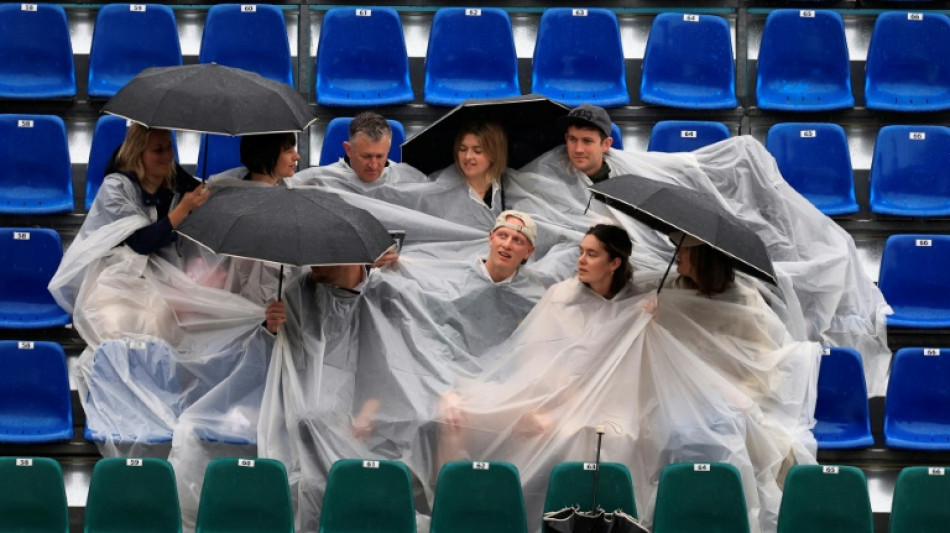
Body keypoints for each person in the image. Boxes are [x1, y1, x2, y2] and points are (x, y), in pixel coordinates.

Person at [109, 124, 210, 255]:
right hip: (122, 261)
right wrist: (182, 209)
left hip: (161, 255)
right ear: (138, 153)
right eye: (158, 150)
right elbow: (139, 243)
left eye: (170, 147)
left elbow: (194, 188)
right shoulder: (118, 187)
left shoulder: (170, 172)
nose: (168, 155)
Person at [559, 103, 613, 182]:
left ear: (606, 144)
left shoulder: (625, 174)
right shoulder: (547, 178)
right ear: (566, 138)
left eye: (587, 141)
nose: (578, 150)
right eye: (572, 139)